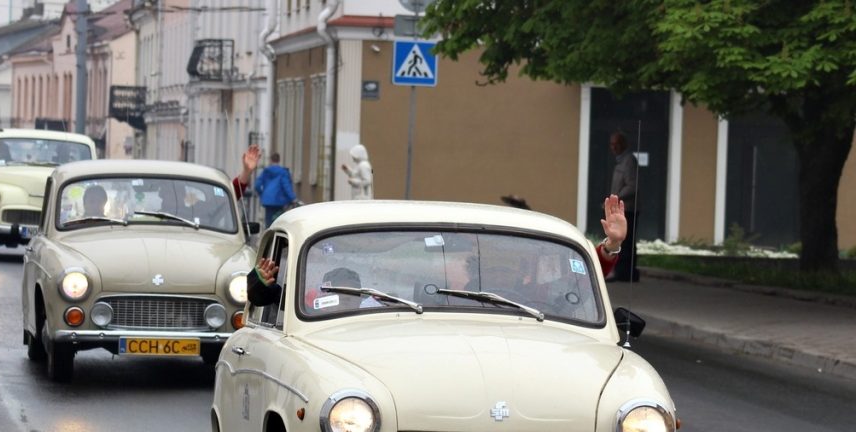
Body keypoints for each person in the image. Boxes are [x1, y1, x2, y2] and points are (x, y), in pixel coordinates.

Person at [246, 195, 627, 306]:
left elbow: (577, 281)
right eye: (462, 260)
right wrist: (261, 286)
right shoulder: (375, 305)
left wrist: (611, 246)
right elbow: (281, 301)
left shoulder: (530, 300)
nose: (458, 269)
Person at [608, 131, 640, 282]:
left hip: (627, 208)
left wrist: (617, 198)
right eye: (612, 144)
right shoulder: (621, 161)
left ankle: (626, 273)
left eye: (616, 144)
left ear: (623, 145)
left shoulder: (629, 161)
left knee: (626, 242)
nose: (613, 147)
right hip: (620, 208)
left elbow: (632, 185)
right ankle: (624, 272)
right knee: (622, 241)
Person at [254, 152, 297, 227]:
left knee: (268, 222)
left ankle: (268, 233)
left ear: (271, 160)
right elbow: (286, 186)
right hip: (279, 201)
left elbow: (257, 185)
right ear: (279, 160)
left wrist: (262, 194)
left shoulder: (266, 171)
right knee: (278, 222)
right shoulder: (283, 172)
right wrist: (293, 198)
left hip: (267, 201)